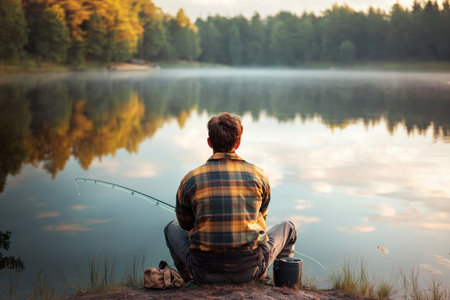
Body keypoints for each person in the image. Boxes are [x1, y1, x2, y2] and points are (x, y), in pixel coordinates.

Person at [164, 112, 297, 284]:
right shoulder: (259, 176)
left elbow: (185, 224)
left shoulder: (190, 180)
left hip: (204, 271)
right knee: (289, 228)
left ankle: (188, 279)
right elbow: (262, 220)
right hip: (250, 270)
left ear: (209, 142)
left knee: (170, 228)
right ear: (239, 142)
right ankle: (278, 283)